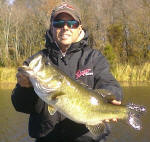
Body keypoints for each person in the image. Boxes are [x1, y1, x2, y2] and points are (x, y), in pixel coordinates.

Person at [11, 2, 123, 142]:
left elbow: (110, 84)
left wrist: (112, 97)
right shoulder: (38, 61)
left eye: (72, 23)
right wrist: (25, 88)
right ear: (52, 27)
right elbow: (19, 104)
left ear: (79, 27)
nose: (65, 27)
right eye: (58, 23)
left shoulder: (94, 58)